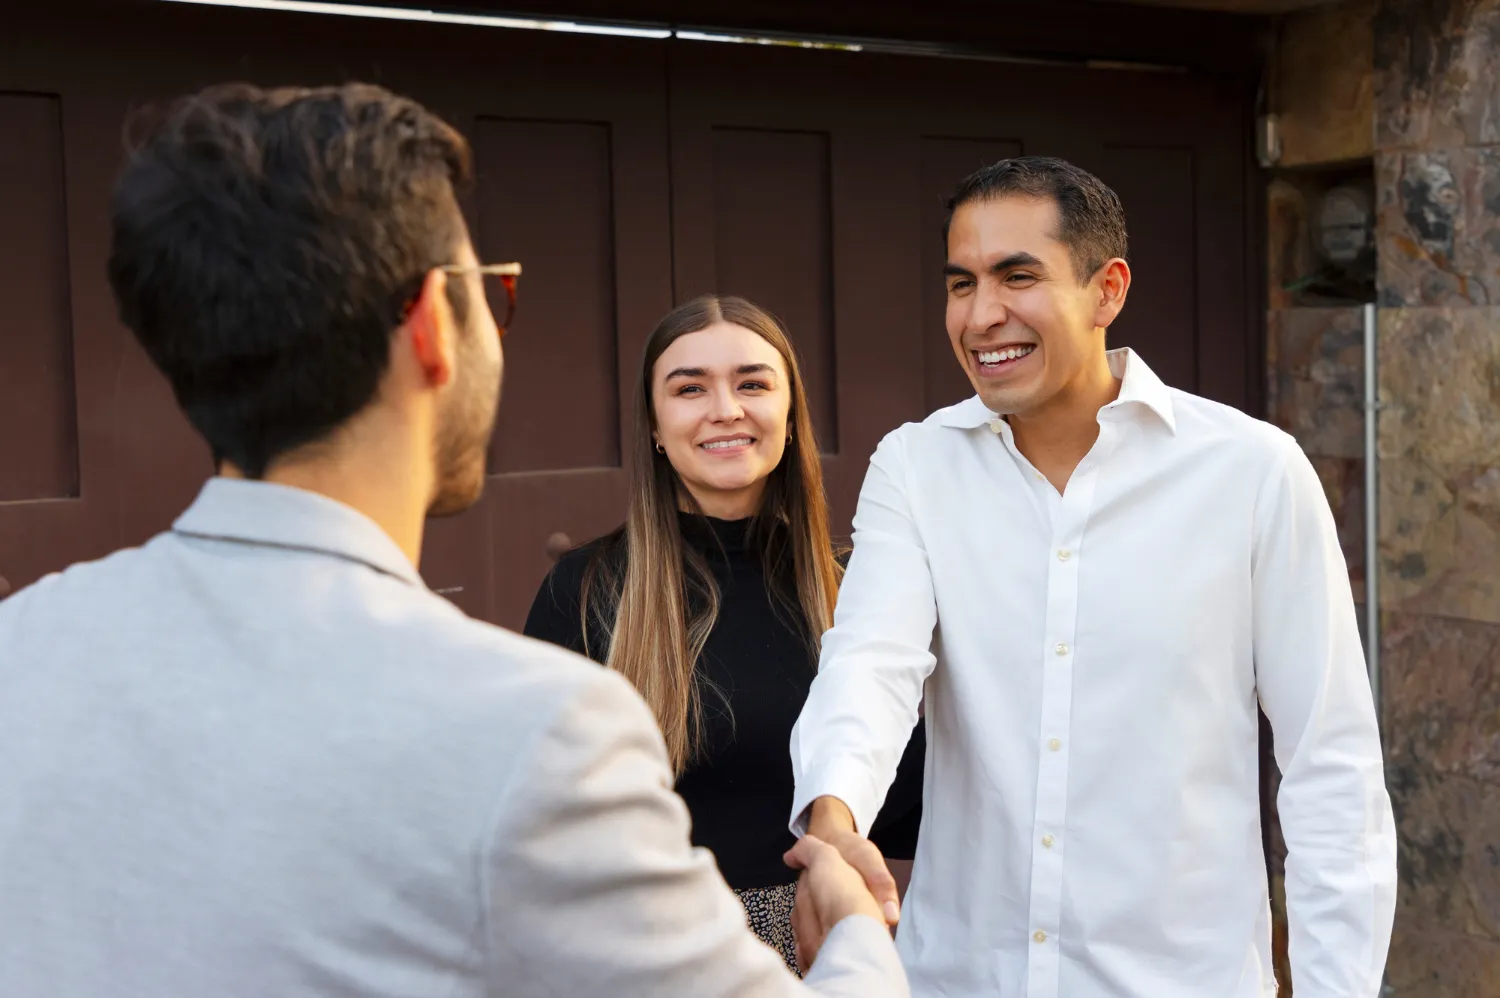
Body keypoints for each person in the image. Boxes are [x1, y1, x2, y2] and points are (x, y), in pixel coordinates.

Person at [0, 82, 909, 998]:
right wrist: (856, 934)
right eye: (495, 294)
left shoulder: (23, 651)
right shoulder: (537, 727)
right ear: (437, 326)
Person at [787, 157, 1397, 998]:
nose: (981, 315)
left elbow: (1330, 764)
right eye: (960, 284)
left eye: (1018, 276)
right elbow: (870, 666)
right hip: (961, 977)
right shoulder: (915, 467)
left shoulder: (1253, 472)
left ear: (1107, 290)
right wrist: (833, 821)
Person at [523, 295, 925, 973]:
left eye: (753, 384)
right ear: (653, 426)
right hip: (652, 956)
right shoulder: (585, 592)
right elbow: (540, 818)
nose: (726, 409)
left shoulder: (859, 595)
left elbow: (912, 803)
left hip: (824, 951)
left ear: (791, 414)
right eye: (689, 389)